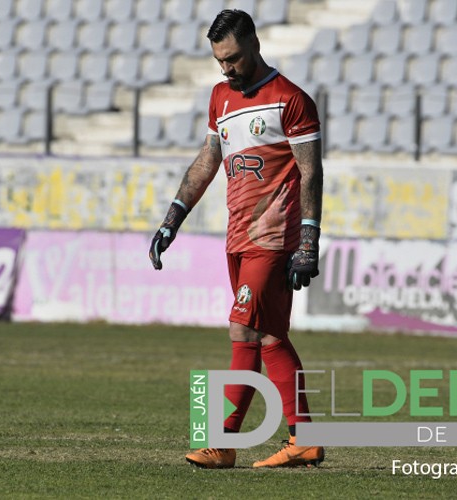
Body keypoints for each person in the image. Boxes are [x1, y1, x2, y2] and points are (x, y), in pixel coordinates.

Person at [149, 9, 325, 469]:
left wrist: (309, 240)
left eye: (233, 59)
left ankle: (222, 442)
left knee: (242, 328)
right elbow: (207, 161)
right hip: (237, 237)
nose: (226, 68)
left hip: (273, 236)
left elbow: (311, 172)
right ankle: (304, 438)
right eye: (219, 61)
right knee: (270, 336)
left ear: (255, 45)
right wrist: (173, 219)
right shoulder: (220, 97)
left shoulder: (291, 99)